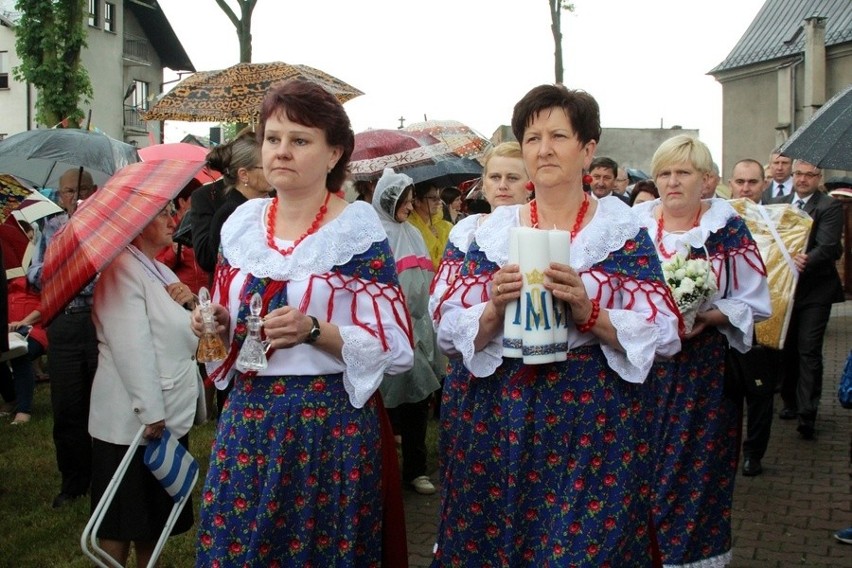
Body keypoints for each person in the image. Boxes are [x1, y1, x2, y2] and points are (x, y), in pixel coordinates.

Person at [430, 84, 682, 565]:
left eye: (558, 136)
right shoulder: (483, 233)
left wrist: (592, 313)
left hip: (590, 419)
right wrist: (490, 308)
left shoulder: (621, 232)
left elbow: (665, 329)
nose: (543, 149)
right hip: (493, 415)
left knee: (580, 549)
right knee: (494, 544)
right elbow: (442, 323)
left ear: (587, 149)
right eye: (531, 137)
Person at [193, 79, 414, 566]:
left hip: (329, 425)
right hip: (249, 420)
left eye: (300, 140)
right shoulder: (242, 224)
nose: (282, 152)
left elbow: (396, 346)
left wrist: (315, 329)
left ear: (334, 152)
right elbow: (235, 321)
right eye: (273, 139)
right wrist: (216, 320)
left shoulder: (356, 229)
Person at [633, 135, 771, 566]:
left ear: (706, 180)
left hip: (703, 375)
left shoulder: (726, 229)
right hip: (639, 369)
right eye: (665, 173)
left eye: (683, 173)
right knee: (639, 467)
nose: (673, 182)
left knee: (696, 469)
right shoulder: (632, 225)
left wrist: (707, 318)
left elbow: (755, 300)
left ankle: (687, 557)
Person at [87, 204, 200, 566]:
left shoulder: (157, 268)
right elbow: (131, 346)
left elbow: (178, 334)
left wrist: (192, 305)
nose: (173, 221)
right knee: (120, 521)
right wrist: (150, 411)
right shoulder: (121, 269)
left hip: (162, 417)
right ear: (136, 224)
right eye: (162, 214)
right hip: (132, 423)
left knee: (153, 520)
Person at [27, 167, 100, 508]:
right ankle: (72, 482)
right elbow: (36, 274)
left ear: (94, 190)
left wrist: (73, 272)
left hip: (100, 321)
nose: (73, 197)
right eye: (67, 192)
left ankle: (103, 478)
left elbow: (105, 276)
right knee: (67, 406)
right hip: (65, 323)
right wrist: (61, 264)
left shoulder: (106, 227)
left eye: (79, 190)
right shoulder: (52, 227)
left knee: (102, 404)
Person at [372, 168, 441, 496]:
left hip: (417, 326)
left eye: (412, 200)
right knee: (382, 403)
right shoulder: (373, 235)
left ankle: (415, 469)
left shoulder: (412, 233)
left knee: (417, 399)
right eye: (405, 200)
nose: (410, 207)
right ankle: (380, 470)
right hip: (385, 328)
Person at [772, 159, 844, 439]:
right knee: (787, 348)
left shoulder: (829, 206)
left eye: (809, 175)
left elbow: (827, 246)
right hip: (784, 289)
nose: (802, 180)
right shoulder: (777, 202)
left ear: (819, 177)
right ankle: (790, 401)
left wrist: (805, 259)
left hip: (816, 290)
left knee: (808, 349)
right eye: (798, 174)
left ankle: (808, 412)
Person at [727, 158, 782, 475]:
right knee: (728, 391)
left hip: (765, 318)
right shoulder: (714, 220)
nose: (745, 189)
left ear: (764, 184)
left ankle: (754, 452)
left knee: (760, 391)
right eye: (740, 182)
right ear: (730, 183)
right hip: (723, 324)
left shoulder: (781, 220)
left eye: (752, 182)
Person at [407, 181, 452, 269]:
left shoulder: (446, 227)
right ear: (417, 202)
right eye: (433, 198)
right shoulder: (409, 228)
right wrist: (429, 237)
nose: (438, 202)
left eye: (439, 198)